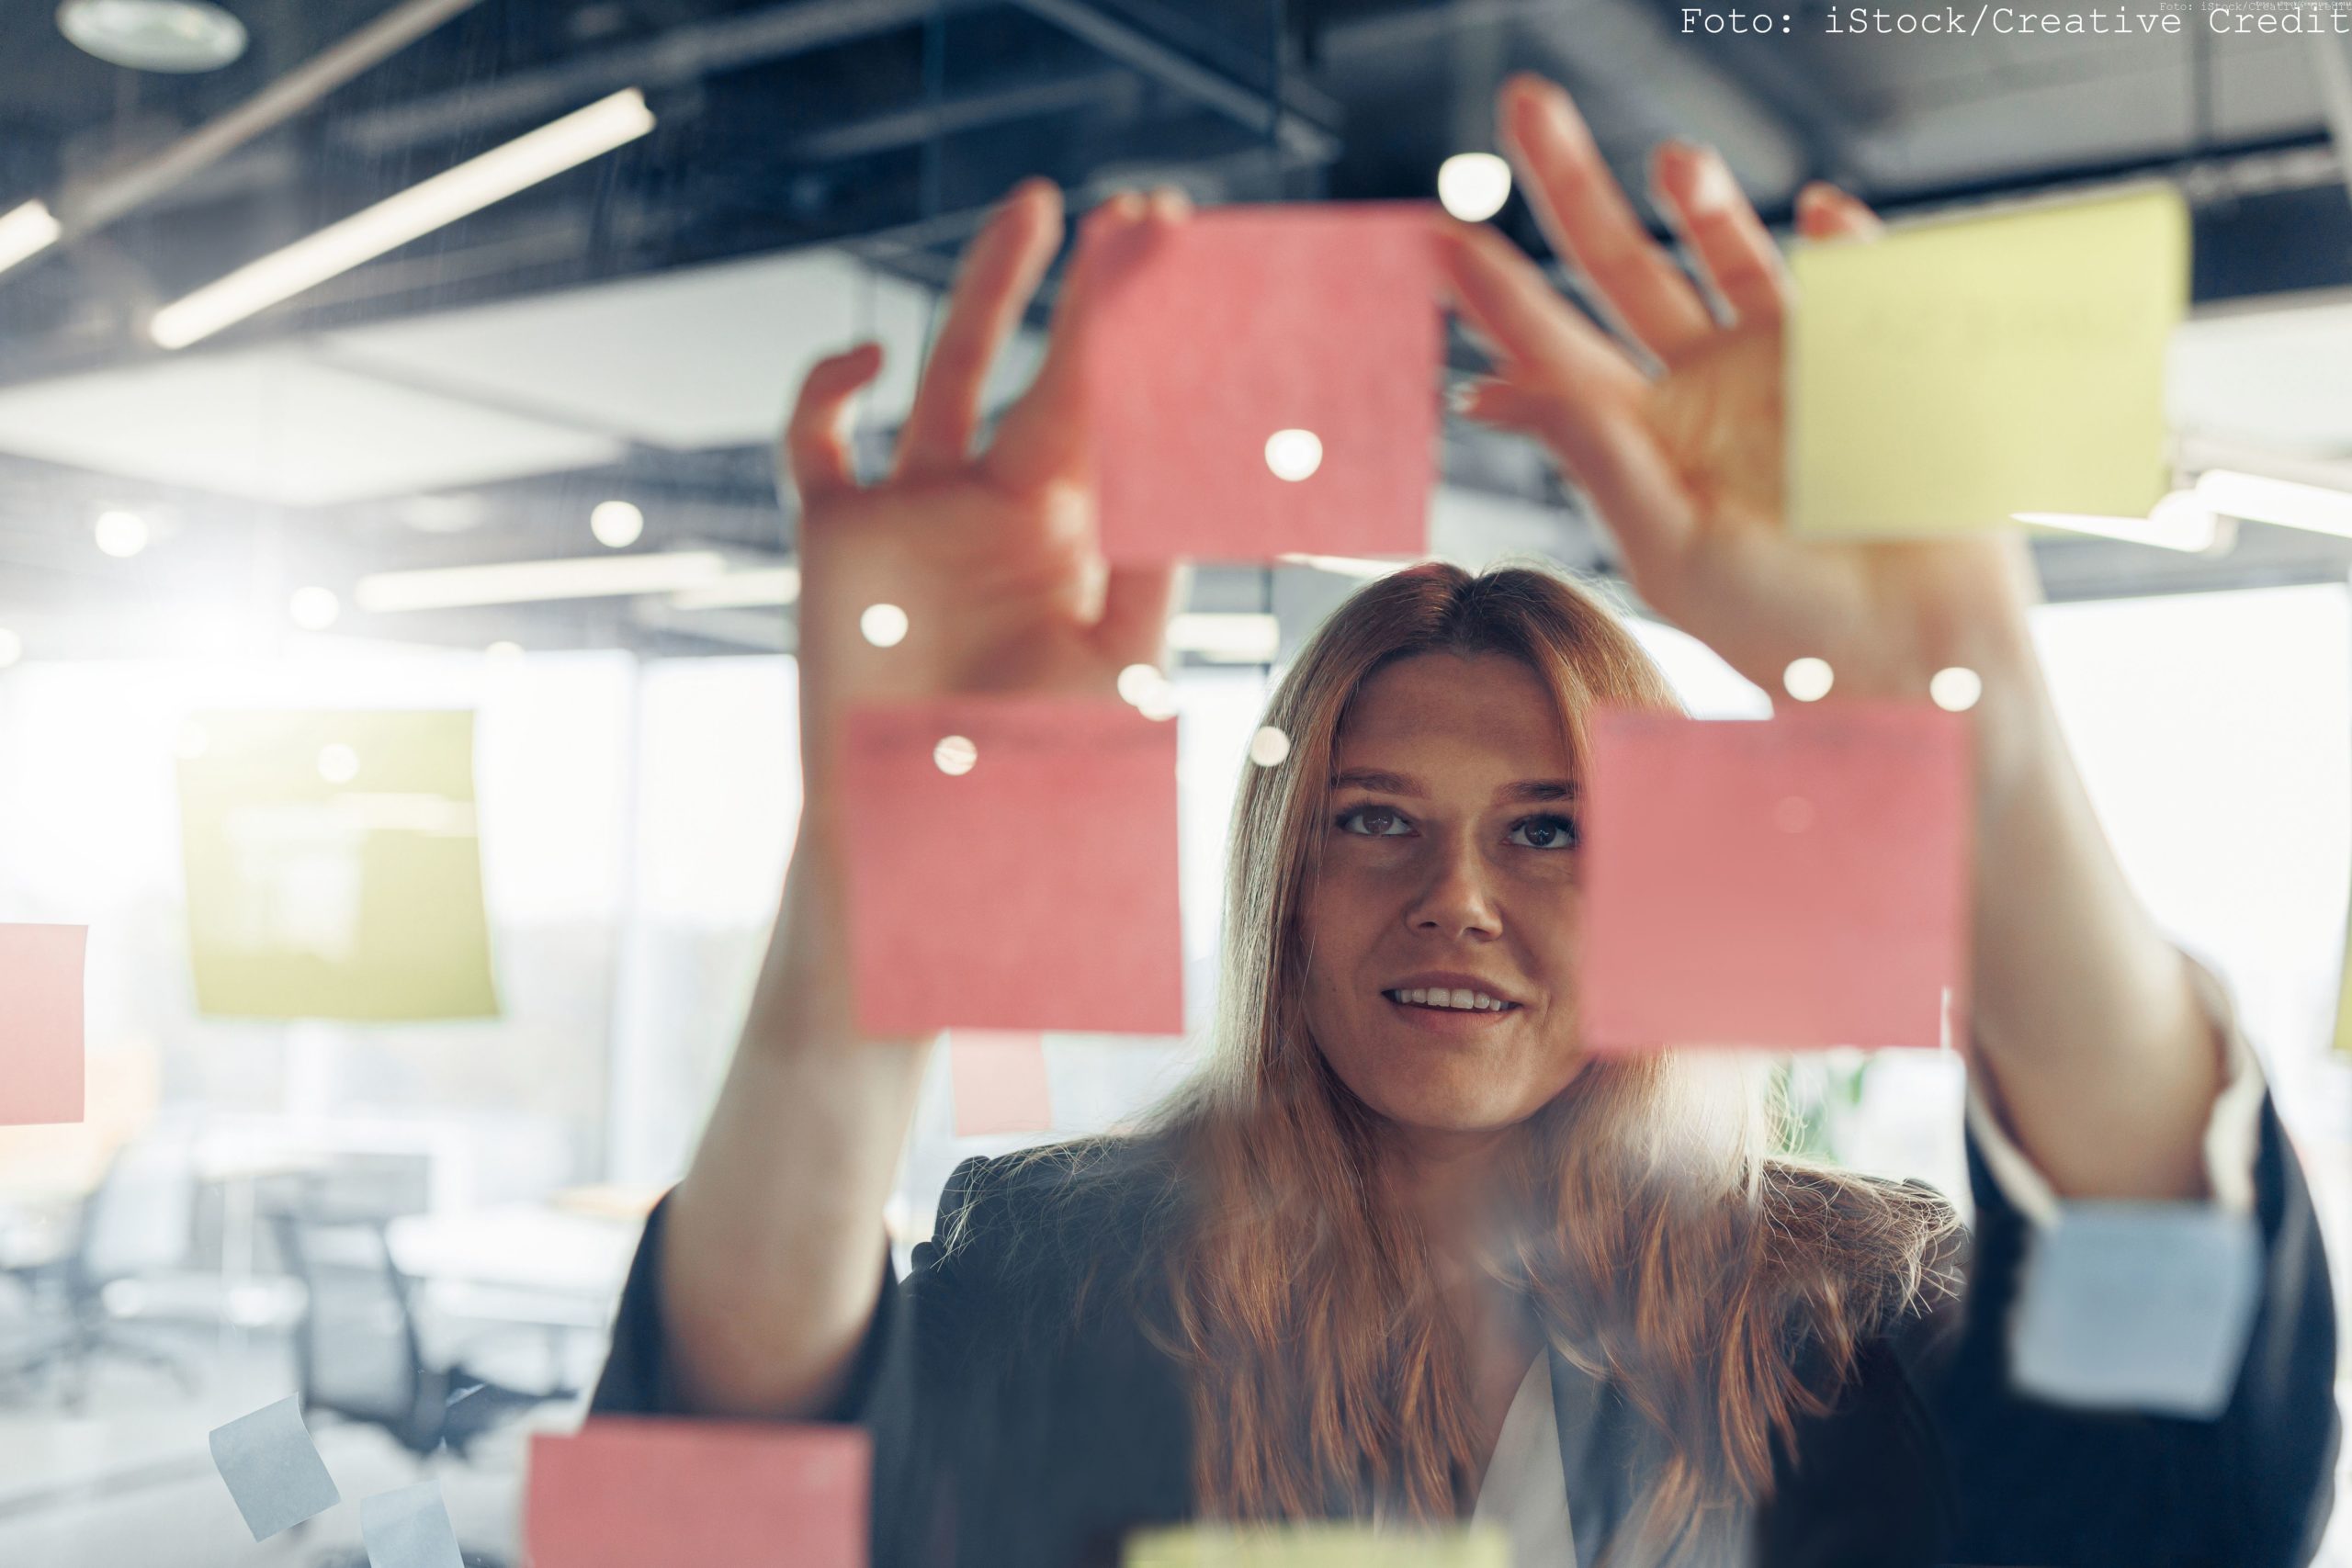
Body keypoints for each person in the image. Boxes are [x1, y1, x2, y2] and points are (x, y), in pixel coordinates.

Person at [592, 74, 2337, 1567]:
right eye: (1370, 821)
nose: (1459, 901)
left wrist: (1994, 745)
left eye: (1550, 831)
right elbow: (702, 1519)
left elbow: (2190, 1494)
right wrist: (871, 893)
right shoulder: (1064, 1259)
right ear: (1281, 880)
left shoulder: (1858, 1301)